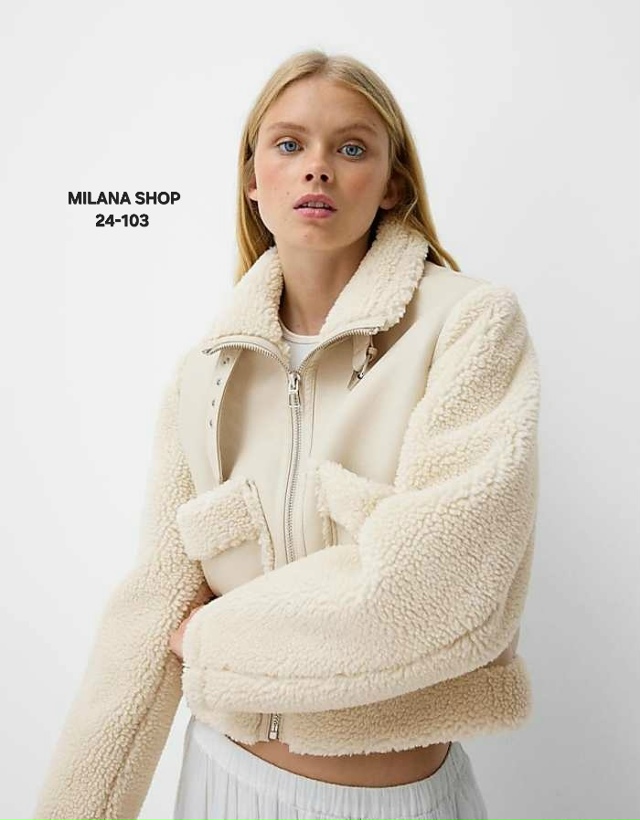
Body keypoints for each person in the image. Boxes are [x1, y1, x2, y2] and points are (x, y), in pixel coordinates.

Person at [32, 49, 540, 820]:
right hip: (220, 786)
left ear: (393, 183)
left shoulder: (466, 326)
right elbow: (152, 606)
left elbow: (441, 590)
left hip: (399, 802)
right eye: (290, 144)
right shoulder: (206, 375)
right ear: (252, 179)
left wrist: (209, 642)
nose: (317, 168)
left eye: (352, 147)